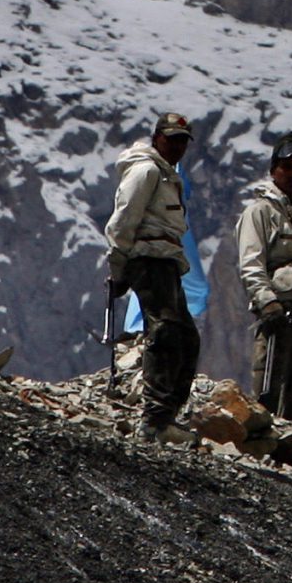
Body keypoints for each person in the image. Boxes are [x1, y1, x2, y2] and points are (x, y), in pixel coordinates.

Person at [105, 111, 199, 440]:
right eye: (171, 139)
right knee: (165, 331)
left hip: (167, 261)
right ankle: (154, 418)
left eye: (182, 142)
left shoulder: (165, 176)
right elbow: (122, 222)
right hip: (149, 260)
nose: (177, 147)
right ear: (157, 137)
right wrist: (118, 268)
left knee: (186, 337)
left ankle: (168, 415)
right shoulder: (146, 171)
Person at [235, 132, 292, 429]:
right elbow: (251, 262)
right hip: (278, 315)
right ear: (273, 169)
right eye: (286, 167)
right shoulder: (259, 211)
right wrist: (267, 303)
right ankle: (260, 452)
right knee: (268, 394)